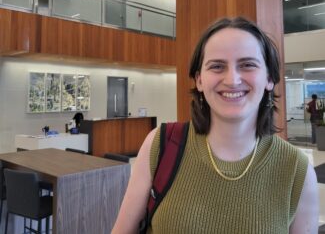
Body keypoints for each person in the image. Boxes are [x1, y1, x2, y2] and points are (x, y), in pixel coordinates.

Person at [112, 17, 318, 234]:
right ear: (200, 80)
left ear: (269, 78)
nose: (232, 79)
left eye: (247, 65)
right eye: (217, 66)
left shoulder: (297, 170)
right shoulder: (161, 145)